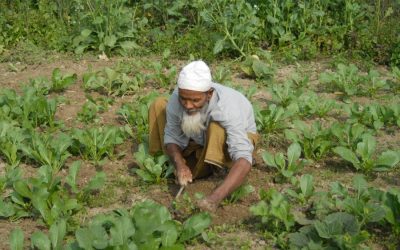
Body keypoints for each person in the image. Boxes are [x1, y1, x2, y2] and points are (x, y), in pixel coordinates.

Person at [148, 60, 258, 212]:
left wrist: (215, 198)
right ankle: (169, 163)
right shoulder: (176, 98)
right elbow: (172, 135)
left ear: (209, 94)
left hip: (231, 142)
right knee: (159, 105)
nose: (188, 105)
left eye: (195, 100)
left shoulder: (227, 107)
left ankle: (221, 170)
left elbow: (244, 157)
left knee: (216, 127)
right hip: (199, 137)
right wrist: (180, 165)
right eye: (183, 98)